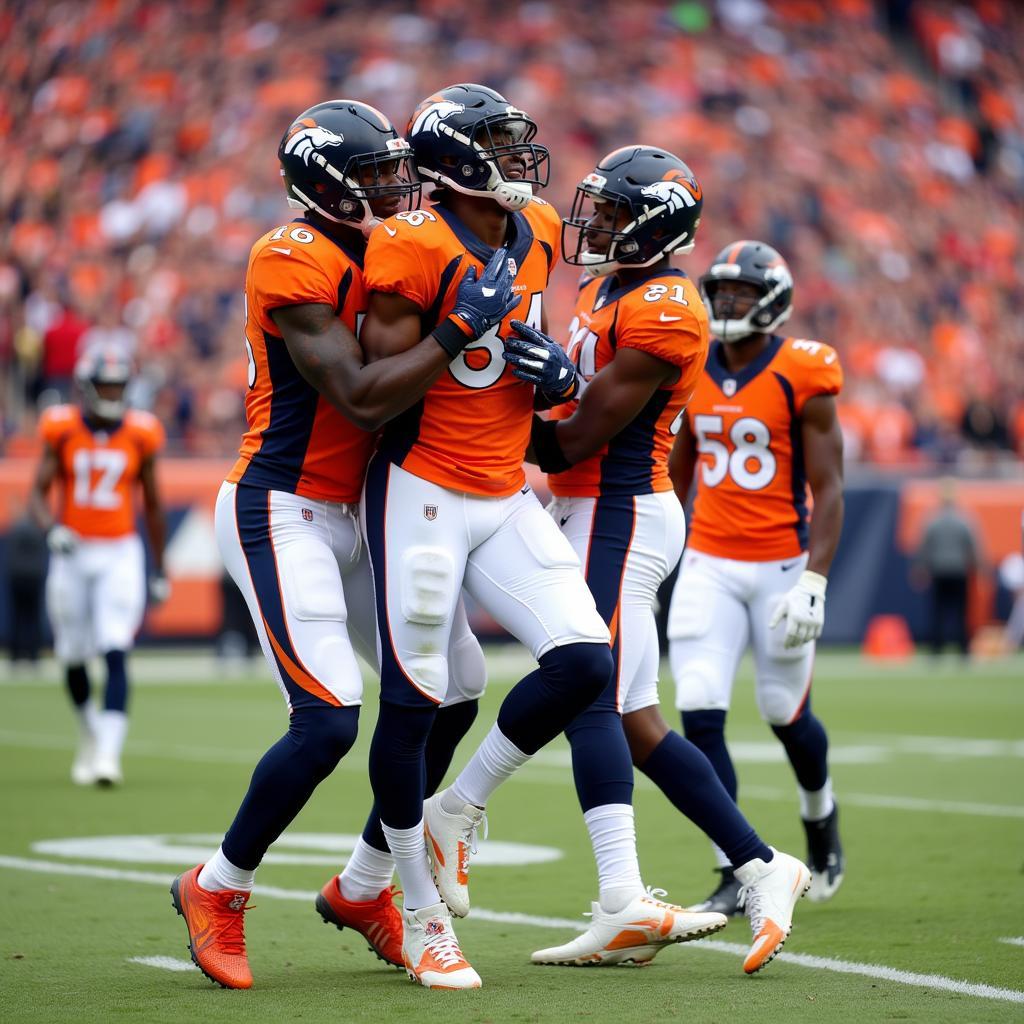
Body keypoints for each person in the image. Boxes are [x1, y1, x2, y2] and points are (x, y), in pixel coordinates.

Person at [169, 99, 508, 991]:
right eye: (371, 178)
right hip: (283, 506)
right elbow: (360, 395)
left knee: (455, 689)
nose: (395, 190)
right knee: (328, 718)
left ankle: (365, 887)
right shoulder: (292, 255)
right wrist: (456, 327)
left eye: (397, 172)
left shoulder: (396, 247)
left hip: (366, 509)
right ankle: (218, 887)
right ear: (321, 184)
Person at [501, 150, 810, 975]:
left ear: (656, 224)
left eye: (609, 214)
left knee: (589, 692)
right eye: (593, 209)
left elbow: (574, 436)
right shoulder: (605, 288)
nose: (592, 224)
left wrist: (481, 409)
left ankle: (610, 891)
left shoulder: (668, 303)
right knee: (635, 721)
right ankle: (758, 864)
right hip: (587, 505)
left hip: (617, 509)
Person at [357, 83, 615, 989]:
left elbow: (528, 363)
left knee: (586, 659)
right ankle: (423, 918)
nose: (519, 160)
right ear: (454, 160)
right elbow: (374, 388)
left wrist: (551, 384)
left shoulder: (539, 225)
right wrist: (453, 333)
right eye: (499, 145)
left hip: (504, 486)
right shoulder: (410, 243)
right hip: (418, 486)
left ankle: (455, 807)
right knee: (417, 699)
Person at [665, 240, 846, 912]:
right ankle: (734, 870)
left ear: (770, 299)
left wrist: (815, 579)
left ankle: (819, 817)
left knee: (783, 712)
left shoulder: (805, 368)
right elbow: (678, 471)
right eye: (722, 291)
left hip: (780, 564)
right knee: (700, 708)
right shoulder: (695, 366)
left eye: (740, 292)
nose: (726, 303)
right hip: (709, 560)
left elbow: (828, 487)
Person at [28, 344, 169, 785]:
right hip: (72, 552)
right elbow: (37, 491)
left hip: (119, 551)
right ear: (87, 388)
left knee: (114, 646)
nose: (112, 392)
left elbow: (153, 504)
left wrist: (160, 567)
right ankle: (89, 733)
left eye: (118, 385)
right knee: (70, 654)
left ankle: (108, 755)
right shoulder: (63, 428)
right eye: (105, 385)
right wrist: (52, 527)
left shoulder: (140, 433)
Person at [913, 479, 981, 657]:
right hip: (959, 571)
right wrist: (980, 568)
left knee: (938, 612)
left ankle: (936, 649)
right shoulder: (964, 519)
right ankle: (963, 649)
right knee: (961, 612)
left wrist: (920, 569)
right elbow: (973, 547)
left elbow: (923, 548)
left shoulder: (932, 520)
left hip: (939, 571)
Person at [4, 502, 48, 668]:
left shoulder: (14, 530)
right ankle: (33, 655)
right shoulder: (37, 530)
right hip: (33, 578)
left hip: (17, 578)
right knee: (33, 618)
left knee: (17, 618)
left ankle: (15, 655)